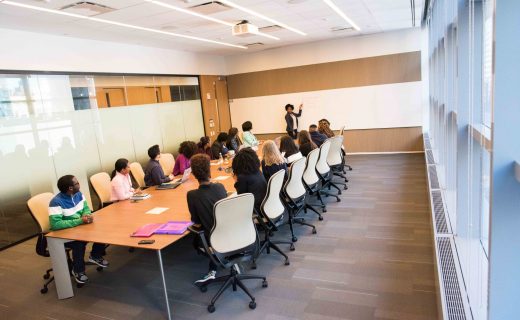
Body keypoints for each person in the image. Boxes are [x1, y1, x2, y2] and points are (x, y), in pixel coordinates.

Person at [48, 175, 109, 284]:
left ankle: (95, 255)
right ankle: (78, 271)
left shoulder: (79, 194)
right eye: (77, 183)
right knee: (79, 243)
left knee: (102, 229)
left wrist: (87, 215)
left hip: (80, 227)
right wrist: (80, 221)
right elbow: (56, 224)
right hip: (64, 233)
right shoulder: (56, 202)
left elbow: (86, 208)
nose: (79, 184)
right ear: (70, 188)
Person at [187, 154, 227, 284]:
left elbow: (196, 222)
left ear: (193, 173)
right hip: (231, 232)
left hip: (213, 239)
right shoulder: (220, 187)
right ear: (209, 170)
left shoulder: (192, 195)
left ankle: (214, 262)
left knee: (195, 241)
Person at [232, 148, 267, 214]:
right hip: (265, 205)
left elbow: (241, 197)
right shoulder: (257, 171)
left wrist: (236, 181)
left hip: (255, 210)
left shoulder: (242, 177)